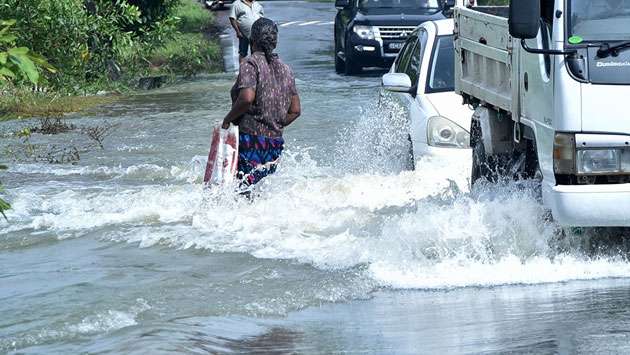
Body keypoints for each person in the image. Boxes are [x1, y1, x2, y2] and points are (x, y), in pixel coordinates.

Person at [221, 18, 301, 190]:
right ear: (275, 42)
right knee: (264, 192)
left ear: (252, 41)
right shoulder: (286, 69)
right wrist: (274, 123)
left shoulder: (250, 64)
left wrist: (227, 119)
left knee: (244, 191)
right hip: (275, 143)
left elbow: (247, 98)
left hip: (250, 140)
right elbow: (295, 111)